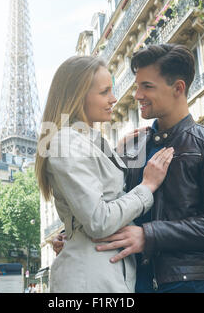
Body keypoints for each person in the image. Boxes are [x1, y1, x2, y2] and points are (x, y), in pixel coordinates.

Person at [53, 44, 204, 293]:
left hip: (192, 284)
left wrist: (149, 235)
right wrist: (74, 232)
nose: (137, 95)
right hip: (133, 282)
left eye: (147, 86)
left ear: (178, 88)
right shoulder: (130, 149)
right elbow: (111, 203)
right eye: (137, 85)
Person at [35, 56, 174, 293]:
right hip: (90, 279)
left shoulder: (87, 140)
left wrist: (115, 155)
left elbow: (92, 200)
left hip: (101, 273)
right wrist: (147, 186)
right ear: (79, 96)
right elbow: (98, 221)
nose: (113, 99)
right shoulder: (65, 142)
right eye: (104, 92)